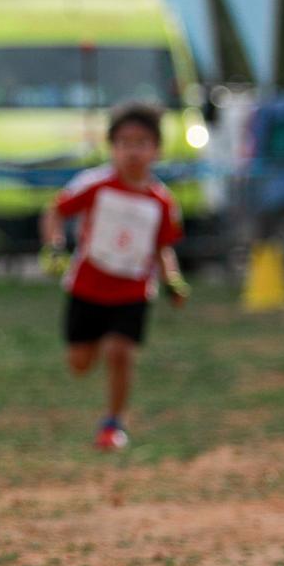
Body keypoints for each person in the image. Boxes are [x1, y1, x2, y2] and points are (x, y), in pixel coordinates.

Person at [39, 102, 188, 452]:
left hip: (133, 289)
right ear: (112, 148)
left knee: (120, 352)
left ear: (156, 150)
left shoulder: (162, 202)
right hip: (87, 287)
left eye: (141, 143)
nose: (132, 151)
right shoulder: (96, 185)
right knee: (80, 363)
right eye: (123, 143)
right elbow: (55, 211)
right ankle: (92, 363)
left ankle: (112, 422)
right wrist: (55, 247)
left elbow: (163, 247)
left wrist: (173, 281)